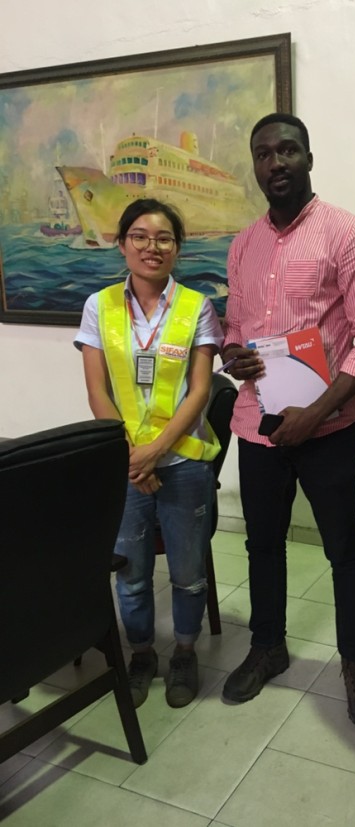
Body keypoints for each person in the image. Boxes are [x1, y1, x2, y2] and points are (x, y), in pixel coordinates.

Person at [220, 113, 355, 726]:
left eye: (288, 150)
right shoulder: (243, 245)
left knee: (344, 548)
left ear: (309, 158)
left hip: (328, 430)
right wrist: (233, 355)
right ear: (255, 164)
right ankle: (267, 647)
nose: (276, 162)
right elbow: (236, 329)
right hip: (257, 425)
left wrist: (317, 412)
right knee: (262, 545)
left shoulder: (348, 233)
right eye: (263, 153)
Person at [74, 198, 223, 709]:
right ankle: (141, 652)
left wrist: (154, 452)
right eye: (139, 236)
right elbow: (97, 390)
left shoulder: (197, 306)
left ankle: (184, 651)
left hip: (182, 463)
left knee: (188, 572)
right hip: (125, 465)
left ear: (177, 248)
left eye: (163, 238)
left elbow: (200, 391)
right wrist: (131, 458)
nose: (151, 247)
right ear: (121, 244)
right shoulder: (99, 306)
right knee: (131, 574)